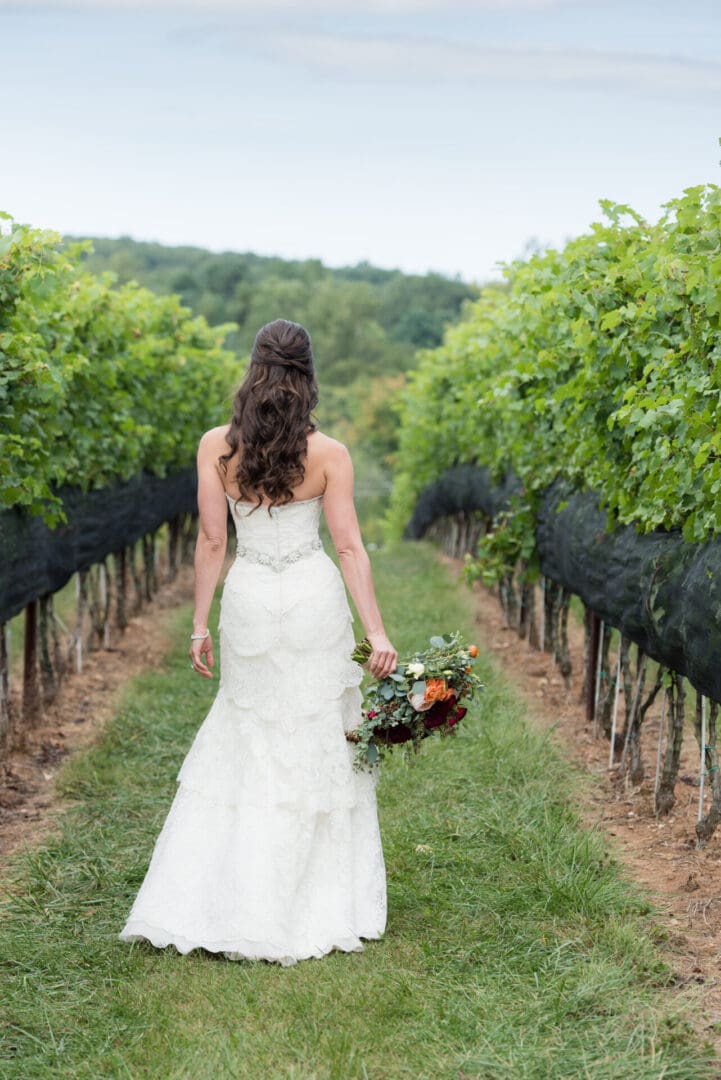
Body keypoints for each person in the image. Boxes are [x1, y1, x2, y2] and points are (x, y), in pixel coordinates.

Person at [118, 318, 397, 966]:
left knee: (248, 735)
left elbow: (213, 542)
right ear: (307, 374)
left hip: (247, 600)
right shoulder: (329, 453)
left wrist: (197, 623)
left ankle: (232, 895)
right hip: (309, 599)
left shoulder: (216, 446)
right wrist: (374, 631)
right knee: (316, 735)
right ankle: (313, 898)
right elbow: (349, 545)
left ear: (253, 368)